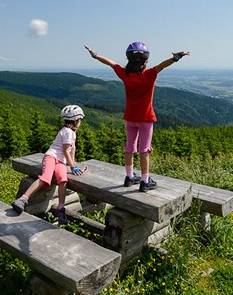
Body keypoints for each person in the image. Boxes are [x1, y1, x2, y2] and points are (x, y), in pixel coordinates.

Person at [84, 42, 189, 192]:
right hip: (146, 119)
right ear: (145, 61)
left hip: (130, 118)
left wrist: (95, 55)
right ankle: (145, 181)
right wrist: (176, 58)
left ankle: (129, 177)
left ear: (129, 60)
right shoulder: (149, 74)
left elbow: (111, 63)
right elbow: (162, 65)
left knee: (129, 148)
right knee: (144, 150)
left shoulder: (125, 74)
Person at [11, 105, 87, 224]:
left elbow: (72, 148)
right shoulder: (66, 132)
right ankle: (23, 199)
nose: (80, 122)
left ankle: (61, 208)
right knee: (46, 177)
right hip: (51, 157)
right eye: (80, 120)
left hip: (61, 161)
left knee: (63, 180)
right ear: (76, 120)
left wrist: (73, 163)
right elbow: (66, 150)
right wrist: (73, 167)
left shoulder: (72, 132)